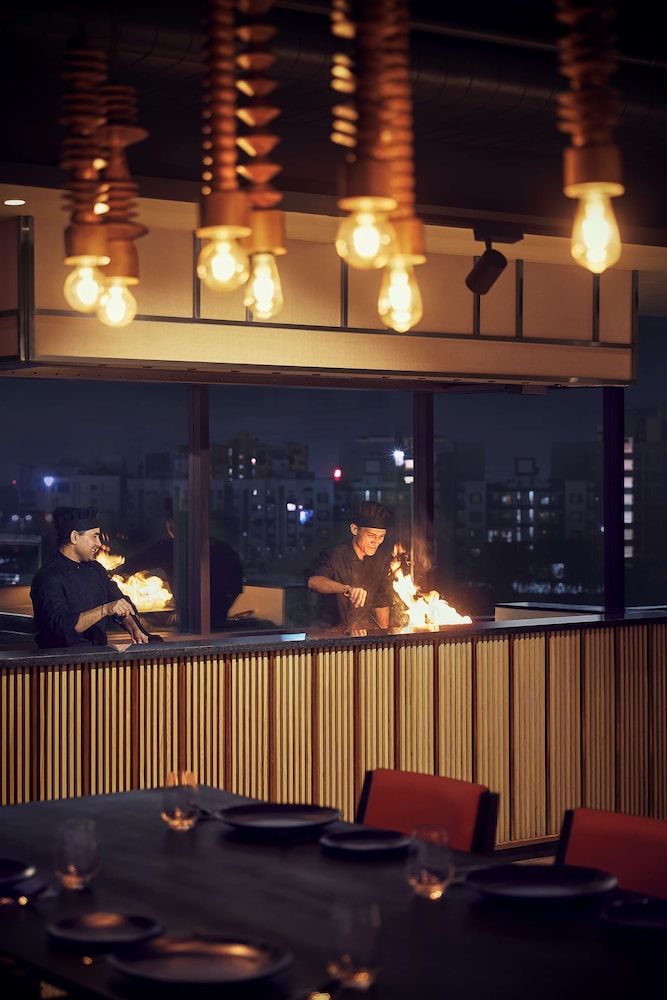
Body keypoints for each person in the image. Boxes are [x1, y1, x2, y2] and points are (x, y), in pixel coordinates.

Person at [30, 506, 148, 649]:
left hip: (98, 656)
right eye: (94, 536)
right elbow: (62, 626)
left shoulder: (96, 569)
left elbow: (119, 602)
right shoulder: (48, 577)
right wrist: (105, 610)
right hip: (61, 660)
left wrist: (133, 627)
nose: (99, 543)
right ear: (74, 537)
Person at [307, 500, 395, 632]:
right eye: (371, 535)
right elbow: (313, 581)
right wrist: (346, 589)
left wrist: (384, 635)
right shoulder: (335, 554)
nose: (376, 542)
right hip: (328, 633)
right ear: (354, 529)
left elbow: (382, 600)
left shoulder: (381, 560)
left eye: (381, 537)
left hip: (360, 633)